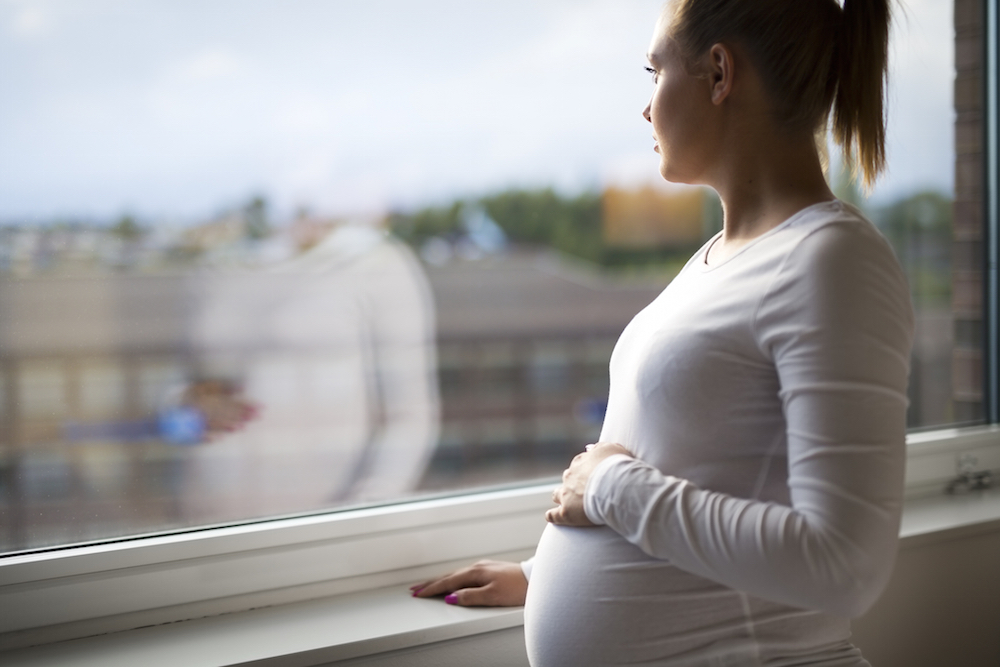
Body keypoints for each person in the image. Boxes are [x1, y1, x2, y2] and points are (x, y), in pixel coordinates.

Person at [412, 0, 914, 665]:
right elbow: (706, 463)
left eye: (655, 72)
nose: (646, 107)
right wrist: (543, 573)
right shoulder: (720, 257)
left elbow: (843, 564)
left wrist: (609, 490)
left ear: (718, 73)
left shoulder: (832, 260)